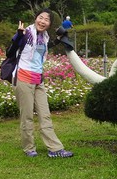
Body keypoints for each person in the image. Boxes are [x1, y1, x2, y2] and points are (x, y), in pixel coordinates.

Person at [7, 8, 73, 158]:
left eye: (46, 20)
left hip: (38, 79)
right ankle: (29, 148)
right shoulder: (25, 34)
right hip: (23, 78)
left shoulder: (44, 37)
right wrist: (18, 35)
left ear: (49, 24)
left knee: (45, 115)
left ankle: (54, 149)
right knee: (27, 116)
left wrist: (59, 39)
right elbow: (10, 52)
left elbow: (43, 48)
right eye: (40, 18)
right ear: (36, 18)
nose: (42, 21)